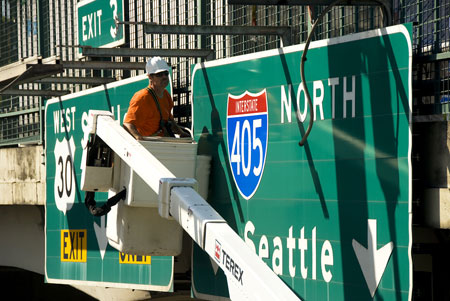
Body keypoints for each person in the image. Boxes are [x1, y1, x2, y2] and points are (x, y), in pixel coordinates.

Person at [123, 57, 190, 140]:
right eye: (159, 74)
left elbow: (169, 121)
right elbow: (127, 124)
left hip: (161, 143)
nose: (164, 77)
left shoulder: (166, 95)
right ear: (150, 77)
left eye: (166, 73)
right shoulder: (142, 97)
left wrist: (181, 133)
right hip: (148, 145)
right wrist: (139, 140)